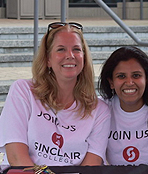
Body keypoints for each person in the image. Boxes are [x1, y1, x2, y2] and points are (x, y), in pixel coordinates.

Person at [0, 22, 111, 166]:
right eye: (61, 49)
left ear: (83, 57)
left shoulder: (99, 110)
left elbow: (91, 167)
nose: (70, 56)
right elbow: (16, 157)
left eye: (76, 49)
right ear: (48, 59)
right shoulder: (23, 91)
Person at [98, 46, 148, 166]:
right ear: (111, 82)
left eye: (136, 75)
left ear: (147, 79)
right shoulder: (100, 110)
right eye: (121, 76)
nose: (129, 83)